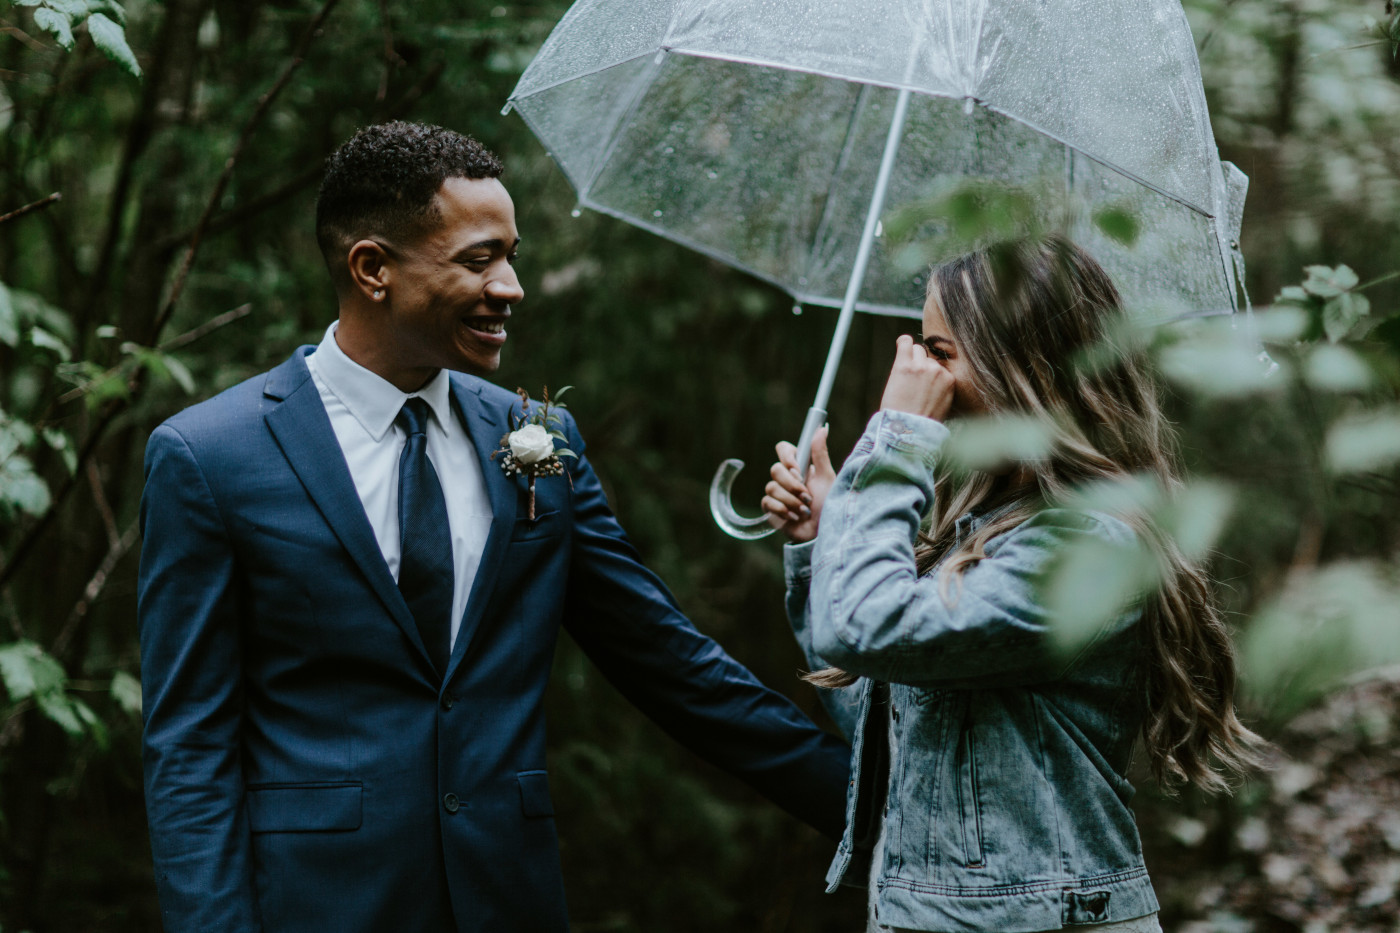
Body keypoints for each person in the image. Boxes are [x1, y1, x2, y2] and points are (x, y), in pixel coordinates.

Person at [137, 121, 850, 933]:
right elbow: (190, 749)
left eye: (513, 255)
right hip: (315, 905)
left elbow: (672, 664)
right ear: (373, 268)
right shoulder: (210, 457)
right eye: (479, 259)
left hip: (507, 902)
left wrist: (879, 806)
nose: (510, 286)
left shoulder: (539, 440)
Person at [762, 237, 1264, 932]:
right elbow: (892, 721)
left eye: (940, 354)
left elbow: (863, 628)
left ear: (1022, 369)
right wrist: (827, 535)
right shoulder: (987, 531)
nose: (918, 373)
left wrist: (897, 436)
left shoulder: (1087, 542)